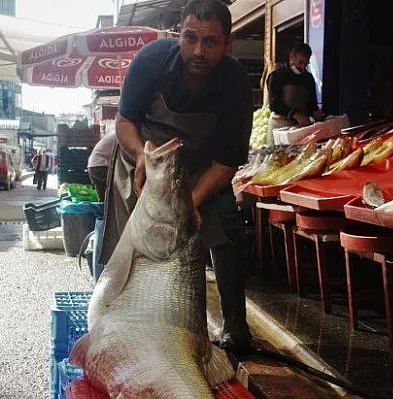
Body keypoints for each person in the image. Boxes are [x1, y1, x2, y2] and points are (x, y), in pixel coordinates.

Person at [101, 0, 253, 353]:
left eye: (211, 42)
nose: (198, 51)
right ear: (178, 34)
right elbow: (124, 123)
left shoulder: (234, 84)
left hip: (202, 167)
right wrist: (141, 155)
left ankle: (235, 325)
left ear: (228, 44)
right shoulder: (152, 60)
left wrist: (190, 203)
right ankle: (108, 318)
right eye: (190, 38)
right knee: (122, 241)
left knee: (227, 227)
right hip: (144, 158)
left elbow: (227, 162)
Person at [266, 42, 325, 145]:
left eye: (306, 64)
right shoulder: (276, 76)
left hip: (299, 129)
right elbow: (274, 104)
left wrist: (315, 113)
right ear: (291, 57)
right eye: (300, 62)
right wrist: (295, 114)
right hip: (279, 125)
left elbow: (312, 103)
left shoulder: (308, 78)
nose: (303, 67)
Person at [87, 130, 118, 202]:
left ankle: (102, 212)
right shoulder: (123, 135)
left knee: (103, 199)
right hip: (101, 165)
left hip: (93, 166)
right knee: (118, 191)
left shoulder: (116, 132)